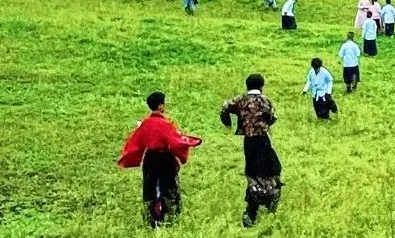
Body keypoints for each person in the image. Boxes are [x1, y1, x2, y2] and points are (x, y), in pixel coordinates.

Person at [117, 91, 202, 227]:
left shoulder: (145, 124)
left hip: (150, 158)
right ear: (161, 106)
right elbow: (176, 141)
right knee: (169, 187)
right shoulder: (165, 124)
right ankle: (170, 217)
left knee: (150, 187)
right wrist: (190, 143)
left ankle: (151, 218)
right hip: (164, 159)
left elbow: (135, 142)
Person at [220, 75, 283, 227]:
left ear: (247, 85)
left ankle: (254, 208)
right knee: (272, 169)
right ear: (262, 86)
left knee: (253, 171)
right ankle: (262, 203)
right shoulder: (265, 100)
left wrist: (228, 123)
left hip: (248, 142)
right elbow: (273, 117)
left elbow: (225, 107)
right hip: (262, 140)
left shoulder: (241, 100)